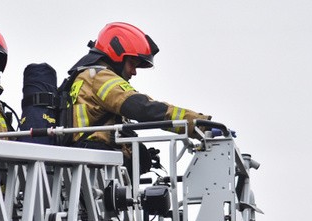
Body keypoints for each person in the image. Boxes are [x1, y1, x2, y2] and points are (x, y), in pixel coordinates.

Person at [63, 22, 211, 162]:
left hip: (86, 160)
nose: (134, 72)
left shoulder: (86, 77)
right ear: (116, 55)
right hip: (95, 161)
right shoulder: (99, 77)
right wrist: (200, 125)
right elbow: (142, 108)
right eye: (132, 64)